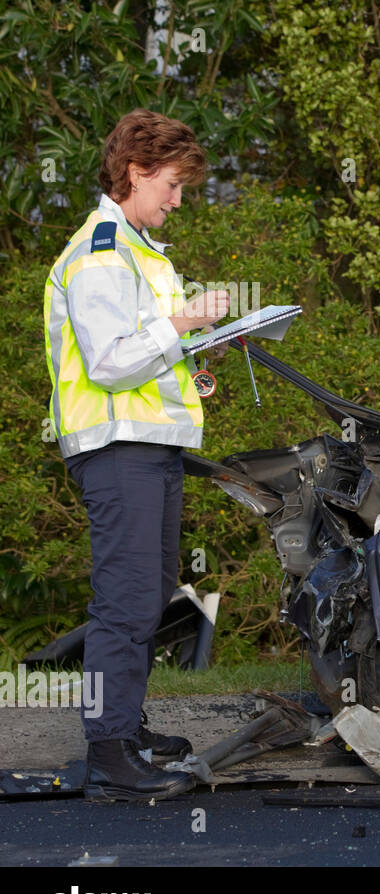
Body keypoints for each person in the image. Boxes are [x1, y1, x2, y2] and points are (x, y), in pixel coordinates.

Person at [43, 109, 228, 800]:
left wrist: (199, 339)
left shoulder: (140, 250)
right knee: (125, 601)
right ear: (136, 172)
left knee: (149, 596)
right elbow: (113, 362)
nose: (178, 201)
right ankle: (110, 756)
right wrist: (181, 322)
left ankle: (124, 726)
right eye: (173, 186)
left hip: (149, 445)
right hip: (117, 446)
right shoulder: (99, 254)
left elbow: (148, 352)